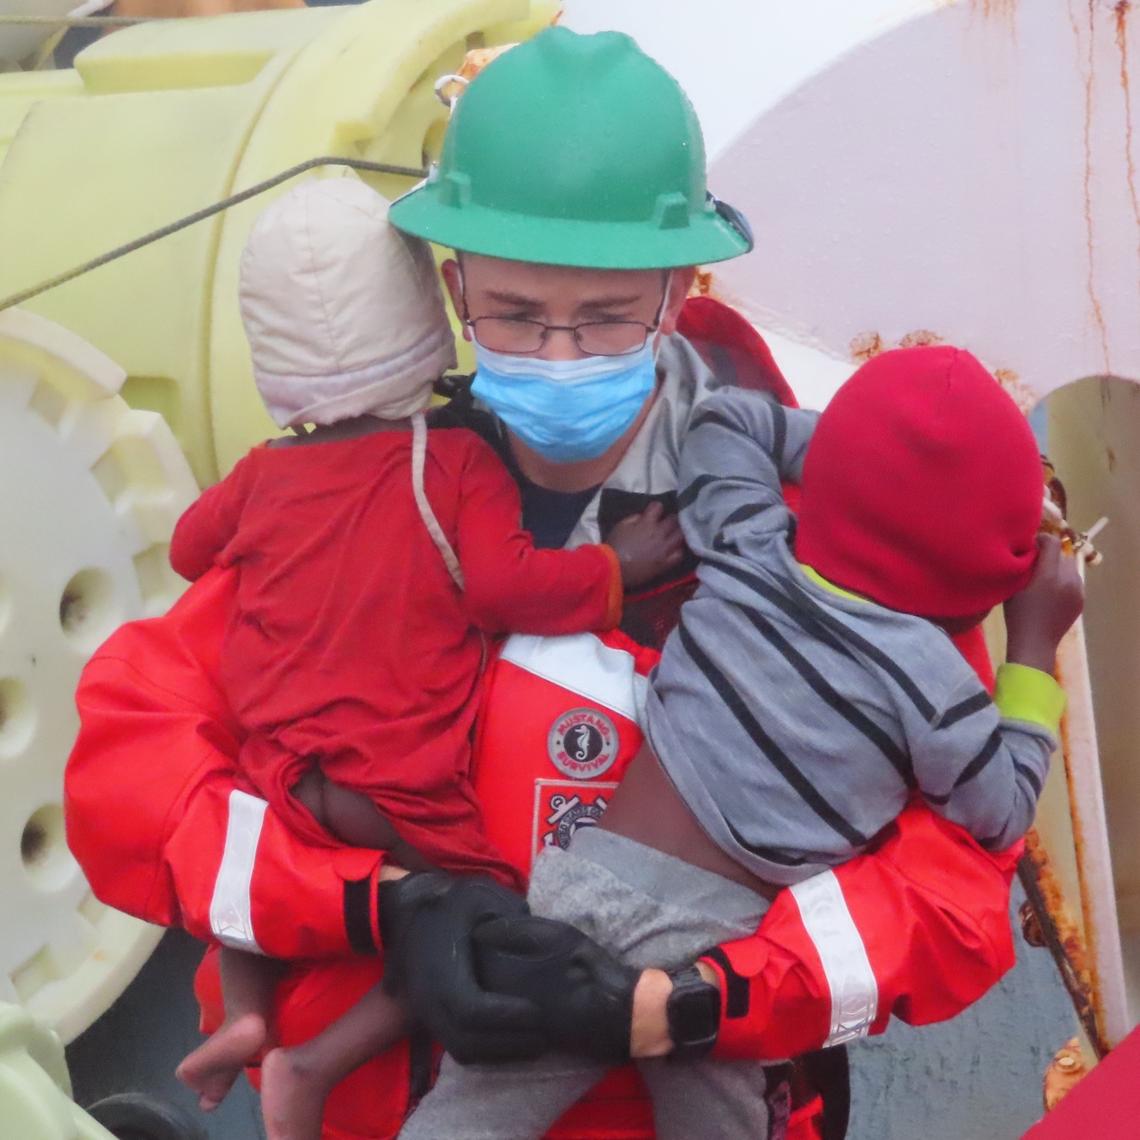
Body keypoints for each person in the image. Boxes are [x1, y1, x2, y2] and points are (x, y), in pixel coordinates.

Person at [65, 27, 1028, 1140]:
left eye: (607, 314)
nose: (560, 354)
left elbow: (955, 883)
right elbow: (134, 761)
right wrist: (379, 905)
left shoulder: (844, 528)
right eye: (516, 316)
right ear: (452, 281)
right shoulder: (346, 496)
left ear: (678, 289)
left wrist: (708, 999)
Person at [397, 346, 1084, 1138]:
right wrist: (1033, 651)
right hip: (730, 959)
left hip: (590, 890)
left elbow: (721, 421)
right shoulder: (936, 689)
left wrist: (856, 450)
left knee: (471, 1117)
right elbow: (999, 813)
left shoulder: (750, 543)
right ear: (993, 567)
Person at [166, 177, 681, 1140]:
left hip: (279, 770)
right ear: (434, 308)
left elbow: (190, 551)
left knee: (243, 879)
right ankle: (313, 1065)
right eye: (518, 316)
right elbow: (502, 586)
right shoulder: (450, 465)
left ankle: (243, 1014)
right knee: (474, 910)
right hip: (389, 780)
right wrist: (617, 569)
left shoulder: (262, 473)